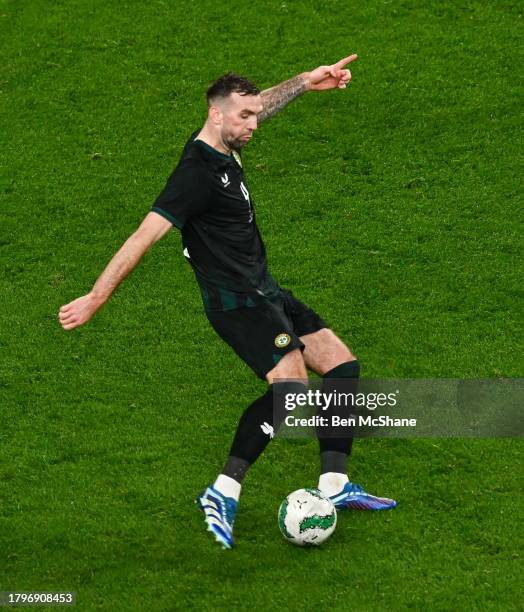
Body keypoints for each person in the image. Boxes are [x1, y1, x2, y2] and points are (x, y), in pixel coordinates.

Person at [59, 55, 396, 550]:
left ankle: (335, 486)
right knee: (293, 390)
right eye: (244, 116)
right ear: (216, 115)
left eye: (255, 115)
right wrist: (95, 297)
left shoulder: (227, 140)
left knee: (342, 366)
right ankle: (222, 491)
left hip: (265, 289)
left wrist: (306, 81)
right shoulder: (195, 173)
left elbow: (257, 109)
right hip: (236, 302)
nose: (254, 124)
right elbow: (143, 237)